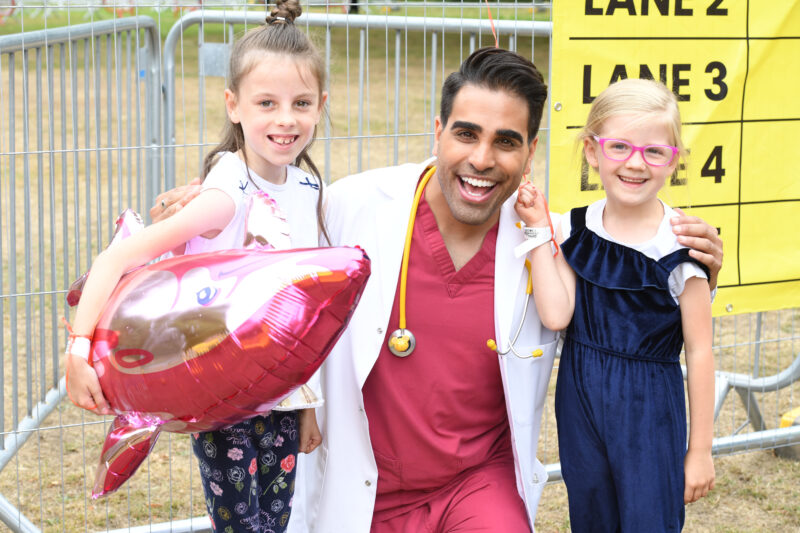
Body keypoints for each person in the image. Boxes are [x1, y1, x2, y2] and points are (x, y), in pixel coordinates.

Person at [154, 49, 724, 532]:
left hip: (478, 484)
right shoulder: (350, 209)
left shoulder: (550, 242)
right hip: (364, 483)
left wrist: (700, 265)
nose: (481, 159)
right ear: (437, 131)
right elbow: (264, 241)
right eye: (466, 134)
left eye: (506, 141)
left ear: (530, 154)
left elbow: (632, 283)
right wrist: (204, 213)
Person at [64, 1, 327, 531]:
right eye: (266, 102)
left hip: (280, 401)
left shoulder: (308, 189)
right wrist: (77, 350)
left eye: (301, 103)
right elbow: (118, 258)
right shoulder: (225, 192)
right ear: (233, 105)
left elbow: (299, 309)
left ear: (321, 104)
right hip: (222, 396)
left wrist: (307, 405)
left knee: (274, 523)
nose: (286, 119)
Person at [515, 77, 715, 531]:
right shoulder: (574, 229)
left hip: (650, 408)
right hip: (580, 400)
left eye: (654, 151)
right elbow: (556, 314)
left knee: (649, 518)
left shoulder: (682, 249)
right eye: (619, 147)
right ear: (592, 151)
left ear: (673, 161)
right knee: (591, 514)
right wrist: (536, 234)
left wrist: (700, 449)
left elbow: (701, 351)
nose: (635, 164)